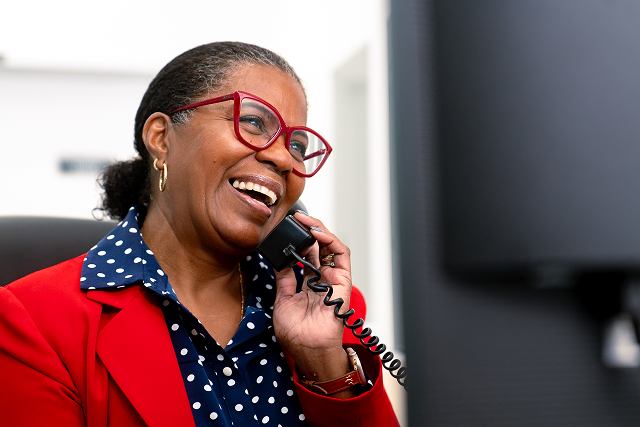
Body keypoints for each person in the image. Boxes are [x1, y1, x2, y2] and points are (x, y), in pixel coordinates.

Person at [0, 42, 399, 426]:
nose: (281, 158)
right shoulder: (35, 320)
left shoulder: (323, 305)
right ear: (161, 139)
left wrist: (325, 362)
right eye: (254, 122)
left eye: (296, 145)